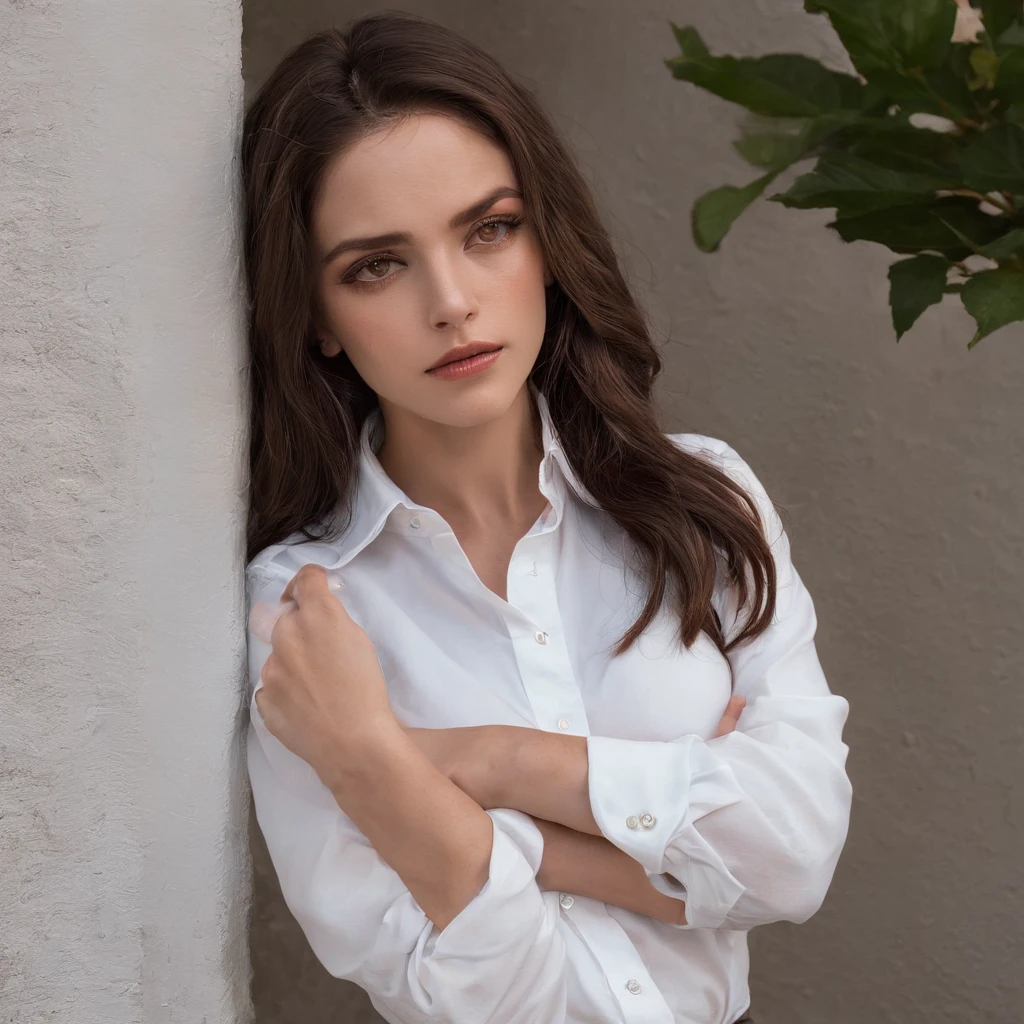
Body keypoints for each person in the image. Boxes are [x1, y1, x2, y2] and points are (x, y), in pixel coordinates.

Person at [240, 11, 853, 1024]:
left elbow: (794, 856)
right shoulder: (302, 624)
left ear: (546, 239)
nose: (453, 302)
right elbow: (486, 1002)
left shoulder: (704, 506)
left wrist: (465, 772)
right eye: (375, 266)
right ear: (315, 315)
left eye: (489, 230)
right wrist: (664, 849)